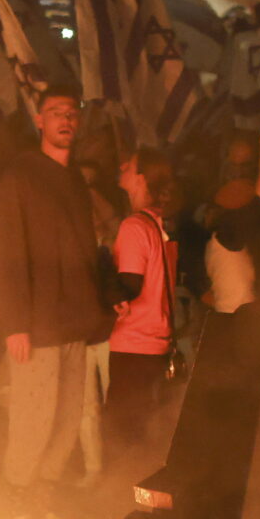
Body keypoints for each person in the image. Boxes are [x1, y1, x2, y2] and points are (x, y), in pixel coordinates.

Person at [0, 86, 110, 519]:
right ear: (39, 120)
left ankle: (39, 510)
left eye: (72, 113)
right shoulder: (19, 177)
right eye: (56, 113)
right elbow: (8, 252)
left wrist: (104, 300)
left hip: (74, 322)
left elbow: (84, 251)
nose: (65, 120)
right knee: (33, 424)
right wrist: (16, 323)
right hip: (37, 326)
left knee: (64, 424)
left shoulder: (75, 179)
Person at [104, 148, 182, 486]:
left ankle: (118, 501)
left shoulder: (135, 225)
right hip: (156, 344)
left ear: (142, 178)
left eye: (130, 164)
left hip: (132, 345)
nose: (121, 166)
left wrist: (97, 271)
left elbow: (130, 286)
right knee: (142, 432)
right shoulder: (159, 224)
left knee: (122, 434)